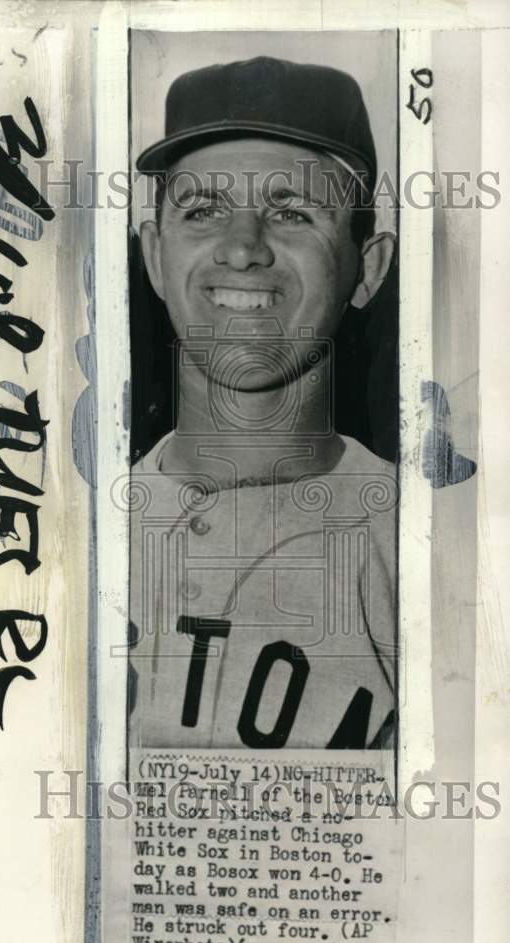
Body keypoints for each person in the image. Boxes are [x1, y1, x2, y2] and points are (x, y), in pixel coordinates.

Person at [127, 56, 398, 750]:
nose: (243, 249)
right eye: (203, 210)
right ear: (155, 256)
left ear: (365, 268)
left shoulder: (428, 546)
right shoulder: (64, 530)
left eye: (291, 212)